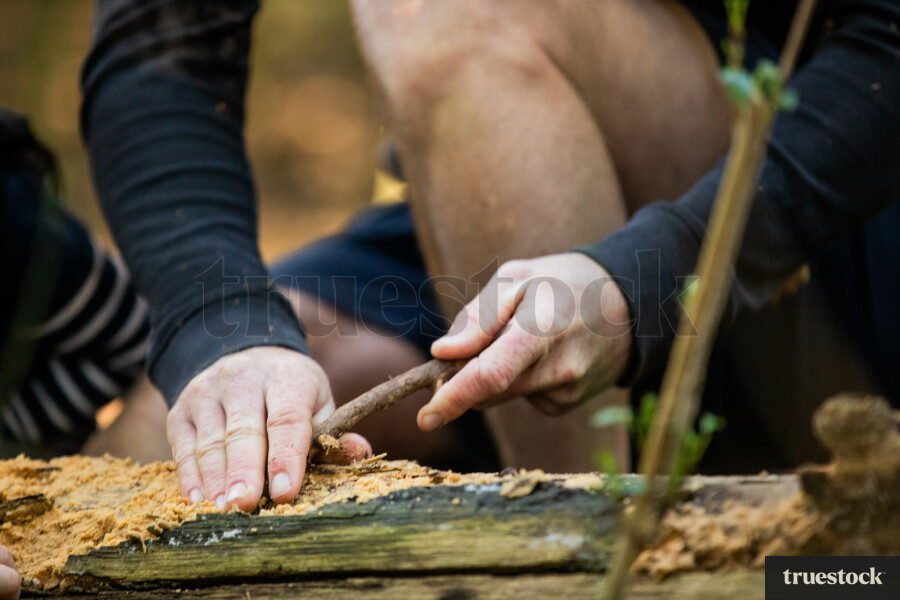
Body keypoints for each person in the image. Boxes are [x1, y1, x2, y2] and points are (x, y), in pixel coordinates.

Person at [80, 0, 899, 516]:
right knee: (193, 434)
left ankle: (574, 545)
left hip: (821, 224)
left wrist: (646, 271)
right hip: (505, 219)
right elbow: (159, 56)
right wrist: (224, 327)